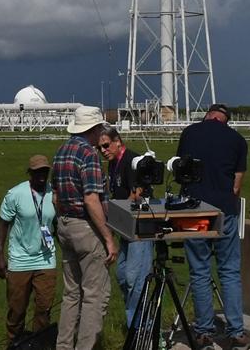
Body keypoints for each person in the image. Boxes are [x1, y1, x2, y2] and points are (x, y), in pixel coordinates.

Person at [176, 103, 250, 350]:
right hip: (225, 210)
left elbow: (180, 170)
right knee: (229, 271)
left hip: (194, 210)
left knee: (199, 270)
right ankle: (236, 332)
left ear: (208, 116)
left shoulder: (190, 133)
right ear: (225, 120)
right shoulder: (237, 140)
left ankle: (204, 332)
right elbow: (236, 184)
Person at [51, 105, 117, 350]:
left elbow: (55, 197)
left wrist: (63, 223)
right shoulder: (88, 154)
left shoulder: (60, 152)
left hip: (65, 224)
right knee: (93, 295)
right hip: (85, 227)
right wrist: (108, 237)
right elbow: (92, 199)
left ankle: (64, 345)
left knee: (71, 294)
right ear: (94, 128)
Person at [0, 154, 58, 342]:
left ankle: (38, 343)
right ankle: (14, 342)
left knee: (44, 307)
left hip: (46, 259)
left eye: (45, 171)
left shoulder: (53, 193)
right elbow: (2, 226)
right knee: (17, 310)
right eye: (37, 171)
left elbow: (58, 222)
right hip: (20, 259)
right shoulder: (15, 194)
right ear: (30, 173)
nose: (41, 175)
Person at [99, 126, 153, 328]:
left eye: (106, 145)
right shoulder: (113, 164)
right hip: (125, 227)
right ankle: (137, 320)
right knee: (122, 275)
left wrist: (118, 214)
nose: (103, 151)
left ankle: (140, 329)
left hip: (140, 226)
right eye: (100, 148)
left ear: (117, 141)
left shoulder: (132, 161)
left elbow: (137, 193)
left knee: (135, 279)